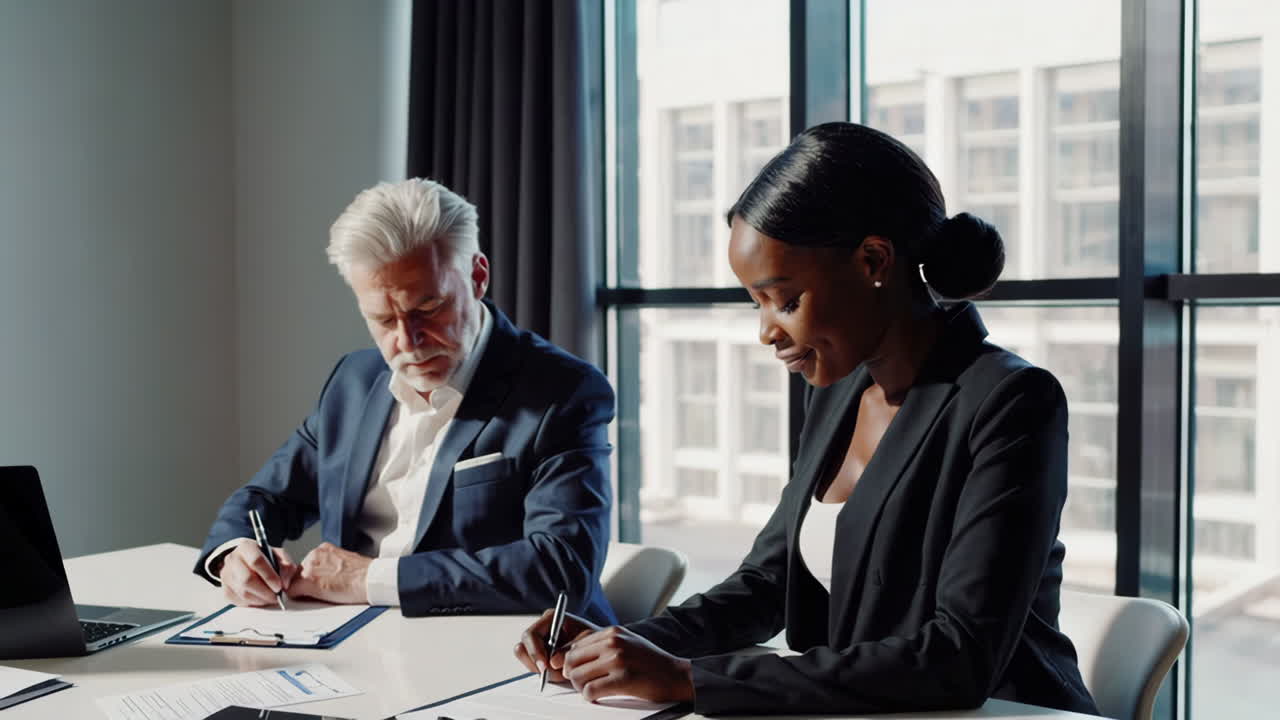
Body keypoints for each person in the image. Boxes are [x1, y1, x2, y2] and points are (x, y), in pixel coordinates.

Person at [514, 122, 1099, 715]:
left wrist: (692, 680)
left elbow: (959, 657)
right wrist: (619, 645)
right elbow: (767, 585)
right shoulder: (840, 392)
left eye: (786, 300)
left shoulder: (1010, 401)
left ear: (873, 260)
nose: (767, 331)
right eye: (758, 303)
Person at [194, 178, 616, 625]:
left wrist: (368, 578)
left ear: (477, 277)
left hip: (502, 647)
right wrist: (235, 552)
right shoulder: (353, 381)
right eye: (382, 319)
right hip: (352, 640)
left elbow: (560, 567)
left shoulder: (564, 392)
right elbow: (267, 496)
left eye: (428, 309)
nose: (408, 342)